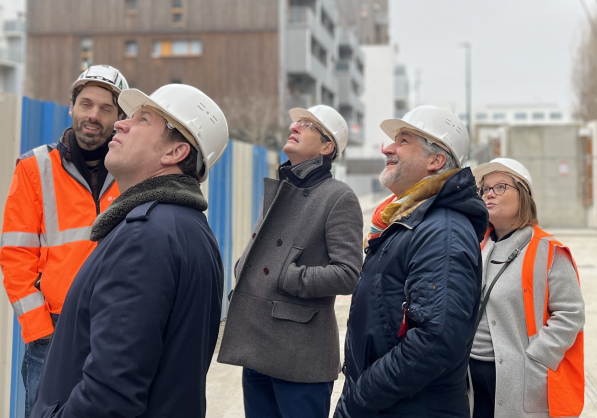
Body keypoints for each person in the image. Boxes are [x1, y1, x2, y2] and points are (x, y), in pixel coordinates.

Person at [30, 83, 228, 418]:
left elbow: (109, 397)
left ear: (174, 152)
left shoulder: (145, 236)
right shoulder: (187, 228)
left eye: (143, 120)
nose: (121, 124)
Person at [335, 105, 489, 418]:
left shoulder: (442, 231)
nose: (387, 148)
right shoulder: (410, 223)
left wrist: (360, 398)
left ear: (436, 161)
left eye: (403, 140)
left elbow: (436, 341)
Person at [0, 65, 128, 417]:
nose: (93, 115)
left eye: (106, 109)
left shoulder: (132, 171)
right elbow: (15, 255)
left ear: (120, 117)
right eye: (86, 104)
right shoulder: (34, 167)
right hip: (52, 331)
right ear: (71, 107)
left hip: (115, 326)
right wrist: (39, 329)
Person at [219, 106, 363, 418]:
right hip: (256, 346)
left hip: (300, 356)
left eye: (308, 124)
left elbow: (348, 273)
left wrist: (288, 277)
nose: (295, 126)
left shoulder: (339, 197)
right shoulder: (281, 188)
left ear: (327, 147)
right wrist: (244, 267)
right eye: (297, 121)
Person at [469, 158, 584, 418]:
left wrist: (535, 358)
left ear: (523, 195)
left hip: (519, 380)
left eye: (500, 187)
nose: (489, 194)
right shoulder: (478, 246)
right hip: (471, 377)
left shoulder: (548, 250)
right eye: (485, 189)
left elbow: (571, 314)